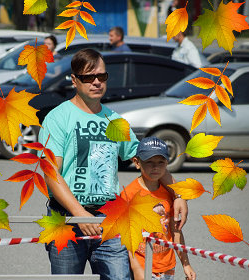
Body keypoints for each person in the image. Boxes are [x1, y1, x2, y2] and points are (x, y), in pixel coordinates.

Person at [38, 48, 188, 278]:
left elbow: (151, 161)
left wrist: (178, 195)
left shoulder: (116, 121)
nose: (97, 82)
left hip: (110, 219)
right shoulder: (57, 118)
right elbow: (50, 174)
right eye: (89, 77)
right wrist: (80, 214)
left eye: (102, 76)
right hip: (65, 218)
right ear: (74, 80)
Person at [121, 136, 196, 280]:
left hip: (167, 267)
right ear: (137, 162)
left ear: (167, 163)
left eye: (161, 162)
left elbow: (176, 231)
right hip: (141, 267)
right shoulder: (128, 195)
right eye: (149, 162)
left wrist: (186, 264)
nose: (155, 167)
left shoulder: (170, 194)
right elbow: (125, 238)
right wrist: (136, 268)